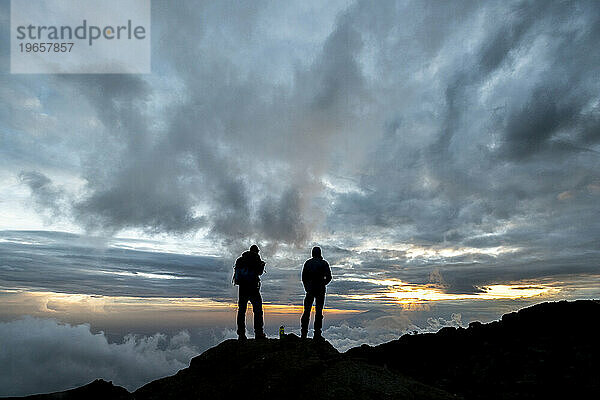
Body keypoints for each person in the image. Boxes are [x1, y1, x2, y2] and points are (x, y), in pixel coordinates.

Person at [233, 244, 266, 340]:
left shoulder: (240, 260)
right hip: (253, 287)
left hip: (242, 288)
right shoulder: (256, 257)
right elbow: (259, 272)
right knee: (258, 310)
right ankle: (259, 333)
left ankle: (241, 334)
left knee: (242, 311)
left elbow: (237, 275)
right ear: (256, 251)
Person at [300, 246, 332, 340]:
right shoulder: (324, 263)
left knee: (306, 311)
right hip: (320, 291)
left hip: (310, 290)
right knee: (318, 312)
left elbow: (303, 277)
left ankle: (303, 334)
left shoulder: (308, 263)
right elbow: (329, 277)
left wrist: (307, 287)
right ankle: (317, 334)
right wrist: (323, 284)